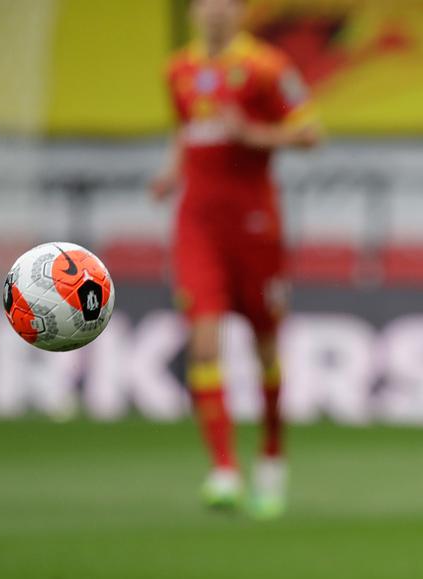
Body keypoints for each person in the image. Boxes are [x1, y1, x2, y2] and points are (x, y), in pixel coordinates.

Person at [151, 0, 320, 518]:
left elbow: (310, 132)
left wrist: (254, 134)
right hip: (198, 225)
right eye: (206, 2)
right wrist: (172, 171)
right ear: (194, 12)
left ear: (242, 12)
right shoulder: (177, 69)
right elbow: (185, 129)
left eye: (226, 2)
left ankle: (271, 459)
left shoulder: (267, 67)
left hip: (254, 225)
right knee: (204, 342)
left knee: (265, 348)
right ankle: (224, 468)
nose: (215, 11)